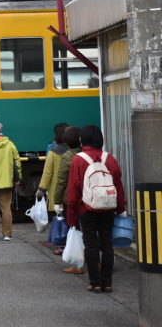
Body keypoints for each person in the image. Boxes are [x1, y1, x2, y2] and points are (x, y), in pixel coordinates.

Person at [66, 125, 127, 293]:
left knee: (91, 244)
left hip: (86, 209)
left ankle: (95, 283)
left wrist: (71, 213)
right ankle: (107, 283)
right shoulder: (110, 159)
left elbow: (73, 190)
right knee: (107, 244)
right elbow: (118, 185)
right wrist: (121, 208)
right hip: (108, 207)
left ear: (82, 140)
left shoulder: (78, 159)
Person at [52, 126, 82, 263]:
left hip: (71, 199)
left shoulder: (67, 157)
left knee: (74, 229)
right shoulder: (85, 154)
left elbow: (61, 181)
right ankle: (95, 263)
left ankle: (77, 263)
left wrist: (56, 202)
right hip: (87, 198)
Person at [36, 123, 69, 213]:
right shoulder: (76, 152)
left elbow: (47, 173)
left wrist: (41, 190)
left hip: (57, 193)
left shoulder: (53, 152)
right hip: (73, 192)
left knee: (60, 220)